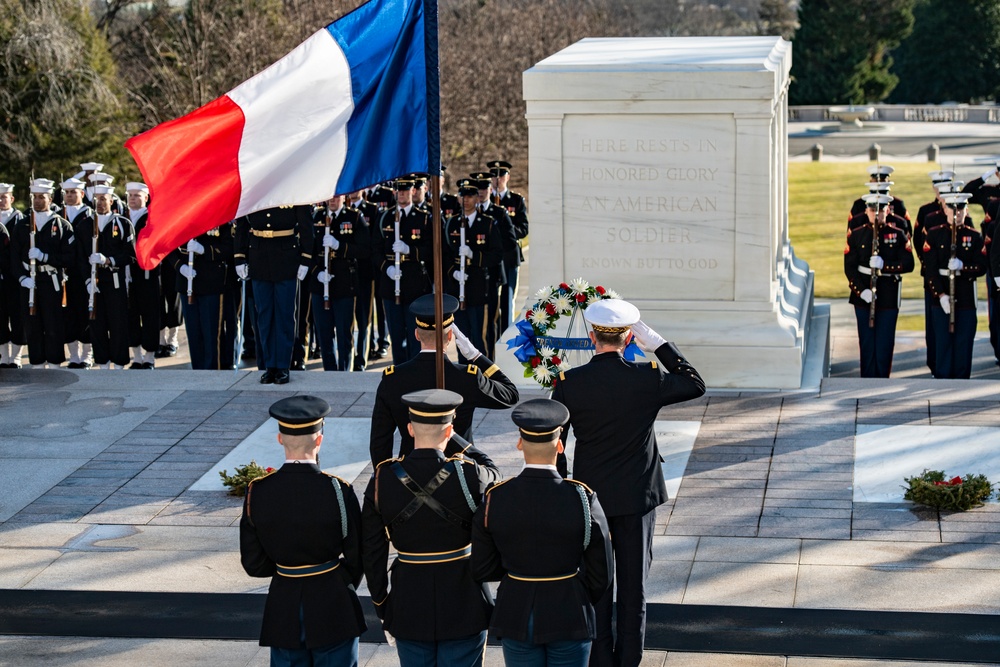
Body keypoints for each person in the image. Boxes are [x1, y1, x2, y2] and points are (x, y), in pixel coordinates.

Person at [552, 299, 705, 667]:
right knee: (633, 589)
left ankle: (601, 659)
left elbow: (555, 440)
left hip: (592, 501)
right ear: (629, 338)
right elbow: (694, 383)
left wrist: (561, 486)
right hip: (637, 498)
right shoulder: (646, 378)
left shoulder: (569, 384)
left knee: (598, 586)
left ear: (592, 337)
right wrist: (659, 344)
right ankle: (629, 661)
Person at [362, 388, 500, 667]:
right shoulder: (470, 474)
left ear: (410, 429)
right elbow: (493, 469)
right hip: (464, 601)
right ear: (449, 431)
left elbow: (372, 548)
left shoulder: (382, 479)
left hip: (408, 601)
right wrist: (456, 439)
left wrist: (381, 602)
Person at [471, 399, 612, 667]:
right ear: (560, 445)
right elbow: (601, 572)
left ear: (520, 443)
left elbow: (482, 567)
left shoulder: (496, 498)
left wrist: (517, 576)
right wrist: (577, 595)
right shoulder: (581, 497)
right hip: (569, 610)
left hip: (515, 610)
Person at [240, 395, 366, 666]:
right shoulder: (337, 489)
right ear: (319, 440)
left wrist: (287, 570)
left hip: (283, 606)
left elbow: (253, 563)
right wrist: (338, 581)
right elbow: (358, 554)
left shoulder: (258, 491)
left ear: (280, 439)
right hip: (333, 604)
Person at [369, 293, 519, 467]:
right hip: (458, 471)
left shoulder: (393, 379)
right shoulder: (467, 377)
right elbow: (510, 395)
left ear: (417, 335)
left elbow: (380, 441)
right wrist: (476, 356)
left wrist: (385, 478)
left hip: (411, 472)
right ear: (450, 336)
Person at [234, 205, 314, 384]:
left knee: (285, 315)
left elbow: (305, 225)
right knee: (264, 315)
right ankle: (269, 366)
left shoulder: (292, 189)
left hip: (286, 256)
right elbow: (242, 223)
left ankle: (283, 365)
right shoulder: (256, 186)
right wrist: (239, 256)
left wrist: (305, 258)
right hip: (259, 256)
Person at [844, 194, 915, 378]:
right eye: (873, 210)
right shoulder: (857, 234)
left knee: (884, 343)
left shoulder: (897, 234)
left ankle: (882, 379)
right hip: (863, 294)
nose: (877, 214)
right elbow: (849, 267)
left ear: (888, 210)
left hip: (888, 294)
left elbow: (909, 263)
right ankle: (867, 380)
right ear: (866, 210)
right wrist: (862, 291)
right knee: (866, 343)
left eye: (881, 210)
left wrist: (886, 266)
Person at [10, 179, 75, 368]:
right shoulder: (22, 225)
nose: (37, 201)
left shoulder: (62, 225)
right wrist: (22, 278)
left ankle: (54, 362)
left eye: (42, 197)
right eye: (35, 197)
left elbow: (69, 257)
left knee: (53, 322)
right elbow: (13, 256)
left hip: (51, 280)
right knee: (32, 323)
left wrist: (45, 256)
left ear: (50, 198)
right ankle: (37, 362)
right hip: (29, 281)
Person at [923, 192, 985, 379]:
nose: (956, 213)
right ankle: (942, 381)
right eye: (952, 208)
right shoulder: (934, 234)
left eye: (961, 209)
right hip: (941, 297)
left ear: (966, 211)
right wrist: (940, 295)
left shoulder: (974, 236)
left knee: (963, 344)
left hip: (965, 297)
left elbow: (981, 267)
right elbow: (930, 270)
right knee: (943, 343)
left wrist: (963, 267)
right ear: (945, 209)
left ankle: (961, 383)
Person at [309, 194, 370, 371]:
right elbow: (307, 250)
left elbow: (364, 250)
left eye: (336, 197)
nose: (332, 200)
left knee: (344, 334)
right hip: (320, 284)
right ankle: (329, 372)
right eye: (329, 197)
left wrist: (340, 246)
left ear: (343, 197)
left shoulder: (354, 217)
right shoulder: (317, 217)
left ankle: (345, 372)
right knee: (324, 334)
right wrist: (317, 272)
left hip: (345, 284)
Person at [375, 179, 432, 364]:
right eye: (398, 190)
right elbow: (374, 250)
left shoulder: (423, 217)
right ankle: (399, 372)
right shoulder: (385, 217)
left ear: (413, 191)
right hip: (391, 284)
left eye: (405, 190)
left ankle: (415, 370)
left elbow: (431, 250)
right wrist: (387, 268)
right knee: (396, 335)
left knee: (416, 334)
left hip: (414, 284)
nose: (401, 193)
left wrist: (410, 251)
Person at [444, 182, 503, 361]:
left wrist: (474, 255)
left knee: (480, 335)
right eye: (463, 196)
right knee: (462, 336)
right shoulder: (451, 223)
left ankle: (485, 371)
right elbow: (443, 254)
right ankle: (465, 373)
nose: (466, 200)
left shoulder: (487, 223)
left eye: (470, 196)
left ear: (477, 198)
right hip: (457, 288)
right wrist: (453, 272)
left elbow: (496, 254)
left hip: (479, 287)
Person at [86, 185, 136, 369]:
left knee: (118, 323)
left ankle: (120, 363)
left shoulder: (122, 224)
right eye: (96, 199)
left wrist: (108, 260)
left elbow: (131, 255)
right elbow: (79, 257)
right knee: (97, 324)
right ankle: (102, 363)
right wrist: (87, 280)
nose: (99, 203)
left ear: (111, 201)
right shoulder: (86, 224)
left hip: (115, 281)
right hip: (94, 283)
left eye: (102, 199)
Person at [170, 227, 229, 369]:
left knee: (211, 334)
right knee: (193, 334)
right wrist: (180, 267)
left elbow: (228, 247)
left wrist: (205, 250)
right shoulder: (180, 214)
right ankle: (198, 372)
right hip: (187, 282)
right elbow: (167, 244)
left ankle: (212, 373)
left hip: (210, 282)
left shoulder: (219, 216)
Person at [488, 160, 529, 335]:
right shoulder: (485, 200)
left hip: (509, 255)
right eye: (494, 176)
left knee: (508, 297)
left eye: (501, 175)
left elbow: (524, 228)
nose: (498, 179)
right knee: (491, 299)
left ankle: (507, 334)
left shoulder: (516, 200)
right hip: (490, 256)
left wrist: (507, 231)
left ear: (508, 177)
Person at [59, 178, 95, 369]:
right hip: (64, 274)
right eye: (67, 192)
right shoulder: (58, 214)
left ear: (82, 194)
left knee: (85, 313)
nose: (70, 195)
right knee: (68, 316)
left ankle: (87, 354)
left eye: (74, 192)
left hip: (84, 274)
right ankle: (73, 355)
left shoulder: (90, 215)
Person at [124, 182, 160, 369]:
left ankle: (150, 356)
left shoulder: (152, 218)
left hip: (147, 273)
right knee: (131, 314)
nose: (132, 198)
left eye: (137, 195)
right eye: (130, 195)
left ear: (146, 198)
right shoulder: (122, 217)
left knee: (149, 314)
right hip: (127, 273)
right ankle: (136, 356)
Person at [347, 190, 380, 371]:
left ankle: (362, 357)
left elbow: (372, 244)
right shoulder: (343, 211)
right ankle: (349, 355)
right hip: (344, 274)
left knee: (363, 318)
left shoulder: (372, 211)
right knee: (347, 320)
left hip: (365, 273)